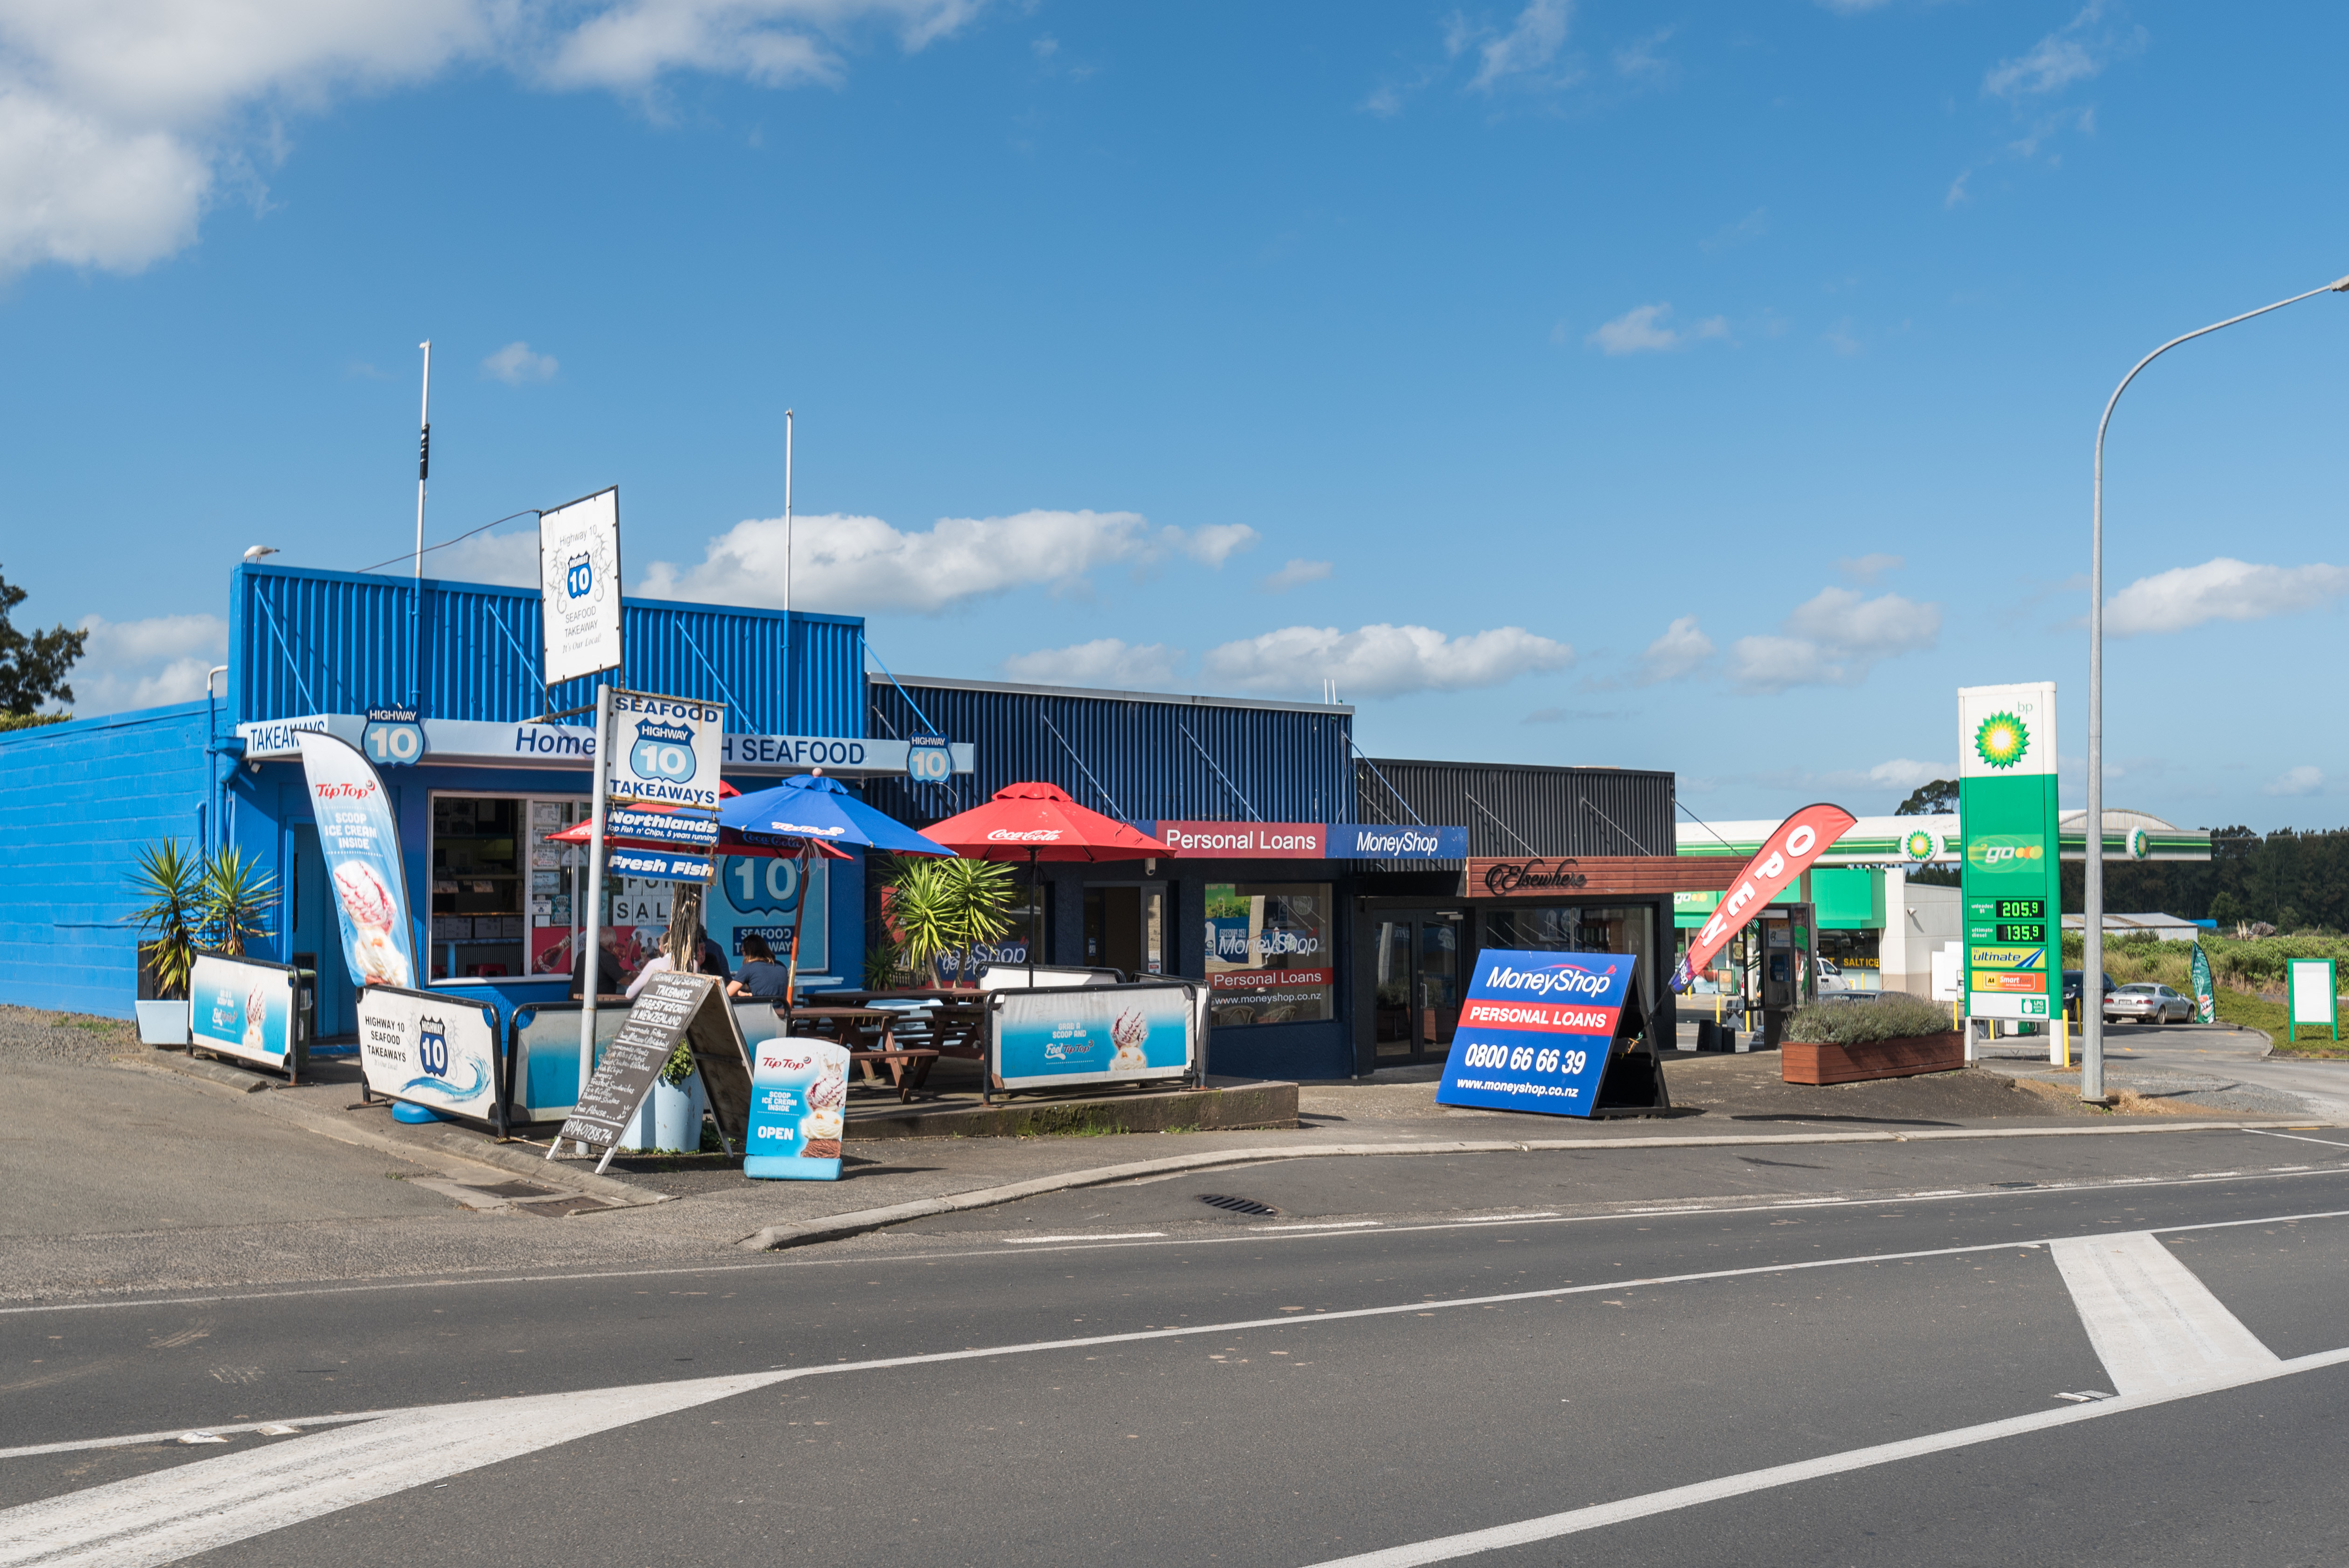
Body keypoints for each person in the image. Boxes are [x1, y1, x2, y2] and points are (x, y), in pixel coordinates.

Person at [625, 916, 731, 999]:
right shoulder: (692, 964)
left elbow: (630, 994)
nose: (700, 954)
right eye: (697, 950)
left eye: (703, 949)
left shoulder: (656, 964)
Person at [569, 927, 630, 1000]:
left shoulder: (583, 954)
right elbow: (625, 981)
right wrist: (634, 976)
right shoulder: (607, 957)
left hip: (575, 1002)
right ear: (611, 945)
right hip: (597, 1004)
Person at [728, 933, 791, 1000]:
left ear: (748, 952)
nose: (743, 954)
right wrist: (747, 994)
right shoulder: (781, 966)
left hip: (761, 1010)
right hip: (782, 1009)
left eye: (743, 951)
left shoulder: (749, 968)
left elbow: (727, 994)